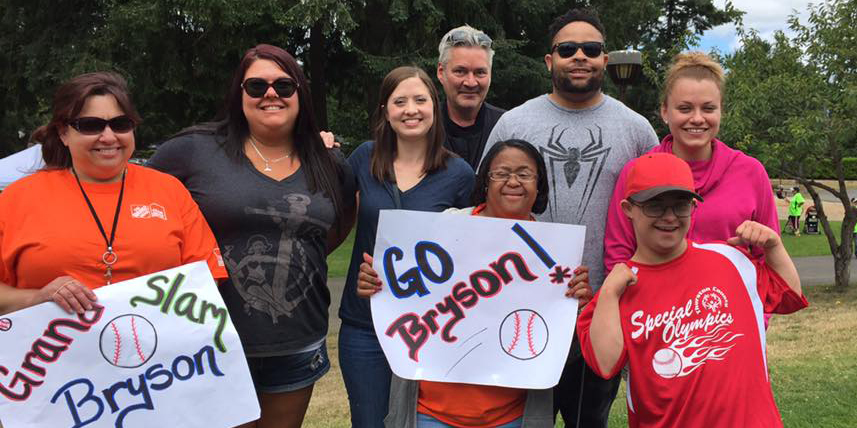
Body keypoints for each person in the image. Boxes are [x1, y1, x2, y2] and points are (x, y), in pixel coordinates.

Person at [148, 44, 356, 428]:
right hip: (210, 340)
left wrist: (296, 255)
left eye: (284, 85)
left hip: (297, 341)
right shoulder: (192, 151)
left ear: (300, 93)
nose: (271, 94)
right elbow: (140, 204)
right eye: (256, 86)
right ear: (238, 94)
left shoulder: (328, 161)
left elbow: (339, 223)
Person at [483, 8, 659, 427]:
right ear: (550, 60)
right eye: (567, 49)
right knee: (516, 420)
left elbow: (657, 216)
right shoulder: (515, 122)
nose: (579, 56)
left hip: (602, 311)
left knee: (589, 420)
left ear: (605, 59)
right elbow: (482, 210)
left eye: (591, 49)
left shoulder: (636, 130)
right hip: (519, 309)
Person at [357, 139, 593, 427]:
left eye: (525, 173)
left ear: (539, 184)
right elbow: (402, 289)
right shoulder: (445, 227)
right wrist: (377, 282)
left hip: (512, 416)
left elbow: (557, 348)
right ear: (485, 181)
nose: (513, 181)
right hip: (430, 412)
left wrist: (576, 306)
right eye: (501, 173)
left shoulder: (556, 254)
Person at [578, 152, 807, 427]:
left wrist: (774, 246)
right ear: (628, 209)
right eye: (655, 206)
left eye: (681, 205)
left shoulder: (729, 259)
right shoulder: (620, 286)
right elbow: (605, 364)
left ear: (693, 207)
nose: (670, 217)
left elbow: (789, 296)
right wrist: (610, 294)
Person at [0, 71, 226, 316]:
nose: (108, 137)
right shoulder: (17, 199)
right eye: (90, 125)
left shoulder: (170, 191)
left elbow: (207, 279)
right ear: (64, 133)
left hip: (156, 349)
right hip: (52, 350)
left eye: (120, 124)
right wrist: (36, 297)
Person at [338, 66, 475, 428]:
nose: (410, 109)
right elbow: (329, 212)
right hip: (364, 323)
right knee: (369, 422)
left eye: (420, 100)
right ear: (385, 109)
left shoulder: (459, 174)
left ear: (435, 106)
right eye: (400, 101)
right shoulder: (363, 159)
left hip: (430, 325)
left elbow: (471, 253)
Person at [437, 25, 506, 169]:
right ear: (441, 72)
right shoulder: (422, 128)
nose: (470, 82)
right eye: (460, 71)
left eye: (480, 72)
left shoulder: (506, 127)